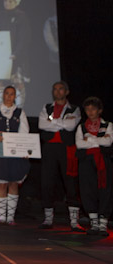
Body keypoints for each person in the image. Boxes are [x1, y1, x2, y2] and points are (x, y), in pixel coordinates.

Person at [37, 81, 82, 231]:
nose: (57, 91)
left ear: (67, 92)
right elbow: (42, 125)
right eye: (55, 89)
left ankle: (74, 221)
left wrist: (53, 122)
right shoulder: (47, 107)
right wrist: (61, 122)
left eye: (60, 89)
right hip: (49, 148)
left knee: (70, 182)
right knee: (47, 182)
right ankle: (48, 219)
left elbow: (71, 126)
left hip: (66, 148)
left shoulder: (74, 109)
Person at [0, 85, 31, 225]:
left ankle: (10, 217)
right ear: (3, 95)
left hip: (14, 150)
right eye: (7, 93)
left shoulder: (20, 112)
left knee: (13, 183)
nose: (9, 96)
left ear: (15, 96)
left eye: (12, 94)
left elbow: (24, 132)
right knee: (1, 183)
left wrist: (24, 149)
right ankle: (2, 217)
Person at [75, 97, 112, 236]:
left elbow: (108, 142)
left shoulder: (107, 125)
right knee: (87, 190)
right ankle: (94, 223)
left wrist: (90, 139)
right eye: (87, 109)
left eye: (93, 109)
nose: (90, 112)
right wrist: (99, 141)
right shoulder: (81, 127)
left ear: (99, 110)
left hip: (103, 161)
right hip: (86, 161)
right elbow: (79, 144)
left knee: (105, 190)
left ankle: (103, 224)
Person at [0, 0, 31, 107]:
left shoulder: (21, 17)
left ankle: (19, 108)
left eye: (10, 1)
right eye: (6, 0)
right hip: (0, 57)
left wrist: (16, 53)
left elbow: (24, 38)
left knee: (17, 83)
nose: (7, 3)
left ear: (16, 3)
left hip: (16, 57)